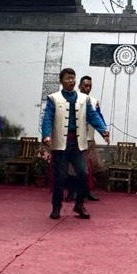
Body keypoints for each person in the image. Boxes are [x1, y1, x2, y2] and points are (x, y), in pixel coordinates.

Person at [41, 68, 110, 220]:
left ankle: (79, 204)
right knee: (60, 177)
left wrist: (103, 130)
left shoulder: (83, 99)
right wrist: (46, 135)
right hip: (61, 144)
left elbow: (93, 115)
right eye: (68, 78)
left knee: (83, 174)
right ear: (61, 81)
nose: (71, 80)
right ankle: (56, 207)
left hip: (78, 144)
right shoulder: (54, 98)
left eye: (73, 78)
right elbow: (48, 118)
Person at [66, 75, 103, 202]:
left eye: (90, 86)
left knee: (89, 168)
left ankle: (87, 191)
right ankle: (71, 192)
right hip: (75, 139)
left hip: (89, 139)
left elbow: (98, 118)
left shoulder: (94, 102)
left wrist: (103, 131)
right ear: (80, 86)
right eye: (86, 85)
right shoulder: (71, 100)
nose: (88, 88)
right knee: (72, 167)